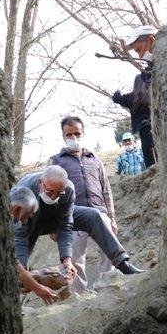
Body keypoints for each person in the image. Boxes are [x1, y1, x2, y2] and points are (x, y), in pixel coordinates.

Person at [10, 166, 142, 304]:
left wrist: (67, 259)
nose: (54, 196)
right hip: (29, 222)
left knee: (93, 216)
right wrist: (26, 278)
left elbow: (65, 225)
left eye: (58, 193)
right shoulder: (26, 189)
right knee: (20, 271)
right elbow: (19, 237)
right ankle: (15, 293)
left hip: (53, 218)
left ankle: (123, 263)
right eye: (49, 192)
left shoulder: (68, 189)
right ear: (40, 182)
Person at [48, 116, 128, 294]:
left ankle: (107, 287)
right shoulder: (56, 161)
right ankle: (80, 295)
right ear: (63, 136)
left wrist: (112, 219)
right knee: (76, 260)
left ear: (83, 133)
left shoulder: (95, 160)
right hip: (72, 218)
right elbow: (50, 194)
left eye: (77, 133)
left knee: (109, 252)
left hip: (100, 214)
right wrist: (53, 225)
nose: (73, 138)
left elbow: (106, 190)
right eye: (69, 135)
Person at [111, 25, 157, 168]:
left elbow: (137, 98)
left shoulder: (148, 77)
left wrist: (118, 97)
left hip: (148, 124)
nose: (140, 56)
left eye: (139, 50)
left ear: (151, 40)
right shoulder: (148, 73)